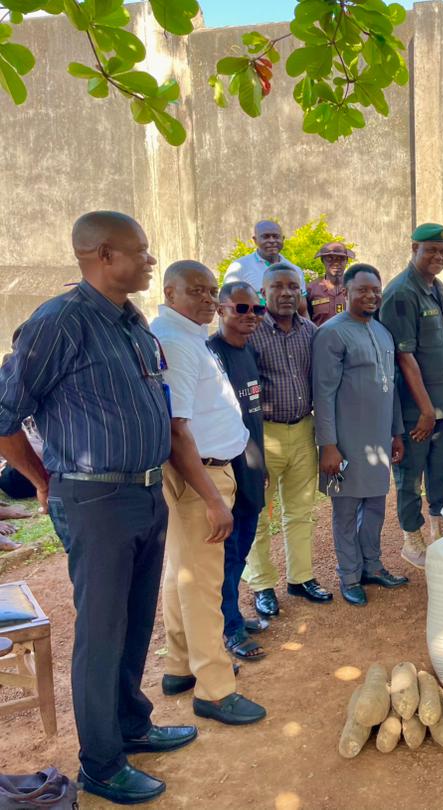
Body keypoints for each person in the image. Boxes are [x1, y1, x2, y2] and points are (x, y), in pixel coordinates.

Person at [0, 212, 190, 805]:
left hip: (142, 491)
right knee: (101, 635)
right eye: (141, 250)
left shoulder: (131, 321)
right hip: (95, 498)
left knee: (136, 623)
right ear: (104, 255)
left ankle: (131, 725)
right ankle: (102, 764)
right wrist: (41, 478)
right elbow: (5, 414)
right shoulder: (59, 322)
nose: (151, 260)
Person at [151, 261, 266, 726]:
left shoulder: (186, 335)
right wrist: (214, 499)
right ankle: (215, 690)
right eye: (195, 290)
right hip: (201, 476)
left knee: (182, 574)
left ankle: (179, 665)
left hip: (206, 472)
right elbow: (178, 428)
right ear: (169, 291)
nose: (207, 299)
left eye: (211, 290)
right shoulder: (177, 343)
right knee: (202, 583)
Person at [313, 264, 409, 607]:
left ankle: (372, 566)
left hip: (378, 440)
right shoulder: (333, 334)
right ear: (347, 292)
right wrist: (328, 446)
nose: (370, 296)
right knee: (345, 509)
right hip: (345, 443)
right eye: (362, 290)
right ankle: (349, 576)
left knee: (375, 507)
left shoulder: (382, 332)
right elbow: (322, 394)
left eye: (375, 290)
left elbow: (391, 387)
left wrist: (396, 432)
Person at [245, 264, 331, 616]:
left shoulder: (310, 331)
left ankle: (301, 577)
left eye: (293, 287)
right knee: (258, 515)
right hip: (263, 434)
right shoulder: (250, 333)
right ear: (263, 292)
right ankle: (262, 584)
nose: (286, 293)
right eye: (277, 286)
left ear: (301, 292)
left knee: (300, 511)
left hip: (302, 430)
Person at [380, 223, 443, 568]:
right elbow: (404, 356)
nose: (438, 257)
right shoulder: (401, 292)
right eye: (431, 250)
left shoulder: (436, 287)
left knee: (441, 473)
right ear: (414, 248)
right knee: (410, 476)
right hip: (417, 409)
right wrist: (425, 409)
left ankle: (440, 537)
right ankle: (413, 541)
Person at [208, 282, 270, 661]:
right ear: (222, 309)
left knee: (242, 548)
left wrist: (259, 466)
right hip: (224, 472)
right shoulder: (210, 355)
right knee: (226, 553)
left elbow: (252, 417)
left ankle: (231, 614)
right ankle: (228, 627)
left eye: (256, 309)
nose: (251, 316)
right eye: (242, 308)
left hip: (250, 467)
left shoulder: (248, 352)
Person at [223, 219, 308, 316]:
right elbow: (227, 306)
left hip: (287, 330)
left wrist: (308, 330)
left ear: (283, 239)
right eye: (266, 237)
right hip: (253, 329)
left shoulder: (294, 270)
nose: (272, 241)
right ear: (255, 240)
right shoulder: (239, 267)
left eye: (276, 237)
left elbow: (302, 309)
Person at [306, 242, 354, 326]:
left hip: (349, 338)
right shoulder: (311, 289)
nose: (336, 262)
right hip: (321, 338)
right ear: (322, 261)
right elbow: (305, 319)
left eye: (341, 259)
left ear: (346, 261)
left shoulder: (354, 287)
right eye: (330, 258)